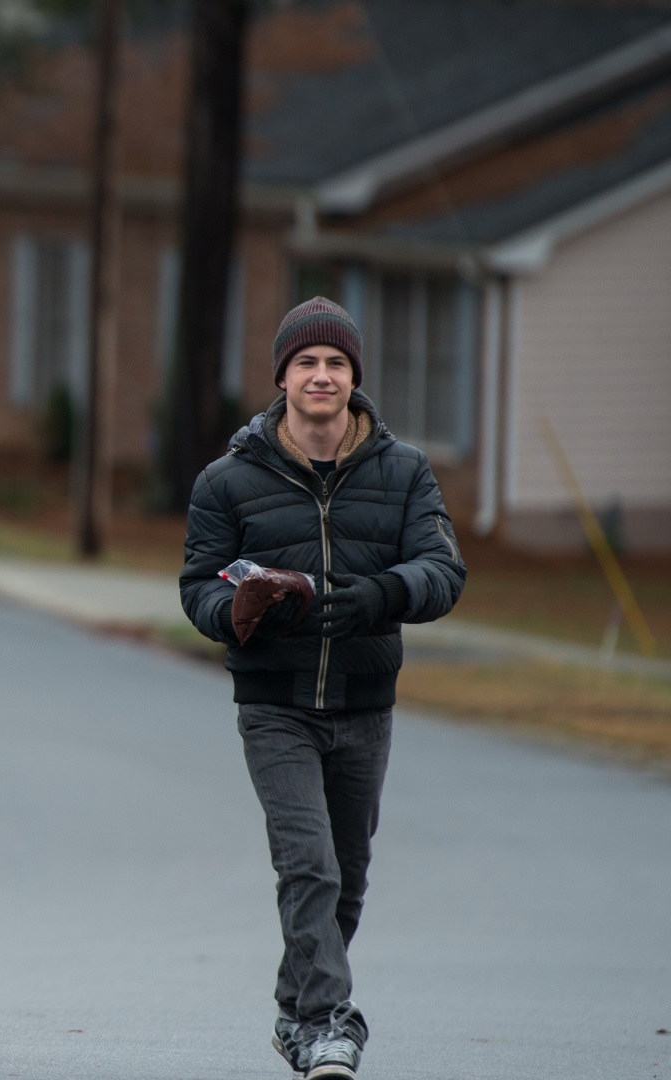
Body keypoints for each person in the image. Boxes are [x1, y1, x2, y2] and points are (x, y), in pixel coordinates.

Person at [180, 297, 466, 1080]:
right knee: (308, 865)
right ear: (282, 378)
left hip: (364, 702)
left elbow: (444, 572)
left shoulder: (402, 471)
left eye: (335, 363)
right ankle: (332, 1023)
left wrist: (381, 596)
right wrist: (237, 614)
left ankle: (293, 1011)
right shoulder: (228, 481)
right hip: (274, 705)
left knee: (348, 876)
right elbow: (197, 587)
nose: (321, 375)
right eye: (306, 362)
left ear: (354, 379)